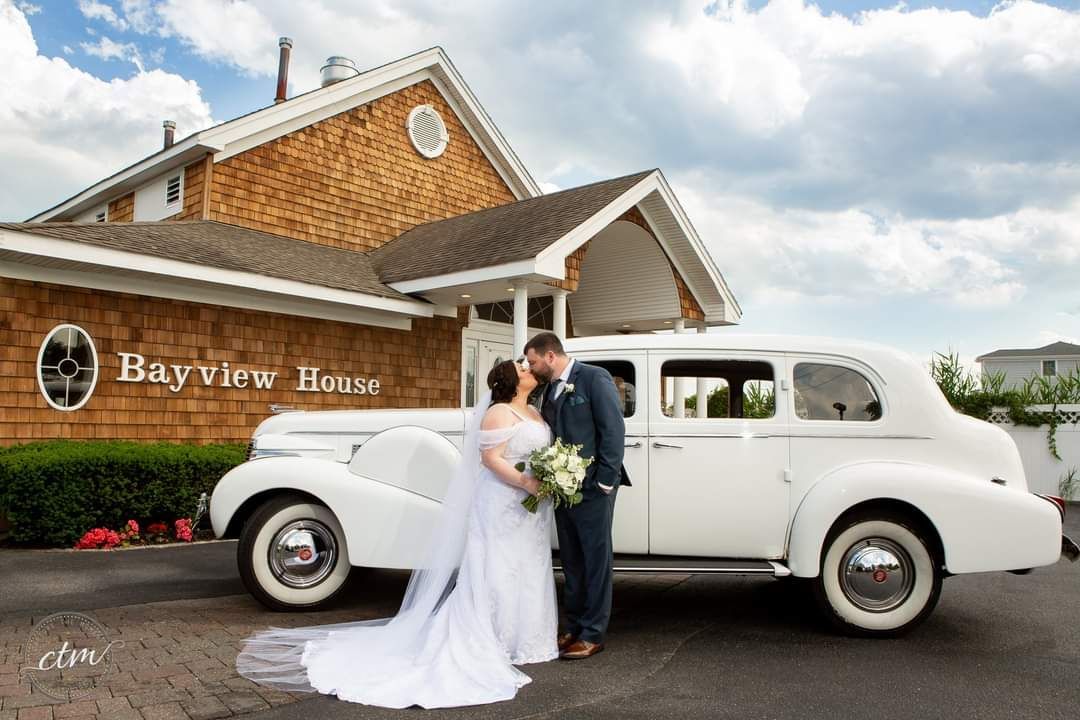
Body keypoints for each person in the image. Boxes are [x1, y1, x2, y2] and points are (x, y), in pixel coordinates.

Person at [234, 359, 559, 708]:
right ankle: (496, 638)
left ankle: (529, 639)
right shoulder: (498, 413)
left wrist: (551, 477)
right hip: (504, 501)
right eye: (522, 367)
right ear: (511, 380)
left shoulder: (536, 414)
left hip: (531, 509)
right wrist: (527, 481)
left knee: (528, 565)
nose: (528, 369)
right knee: (498, 566)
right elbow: (491, 459)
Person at [524, 332, 630, 660]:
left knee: (596, 562)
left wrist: (605, 483)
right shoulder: (547, 389)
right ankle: (574, 627)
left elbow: (613, 430)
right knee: (571, 561)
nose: (531, 367)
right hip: (561, 488)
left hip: (593, 488)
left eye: (533, 361)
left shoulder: (593, 378)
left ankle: (593, 634)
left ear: (550, 356)